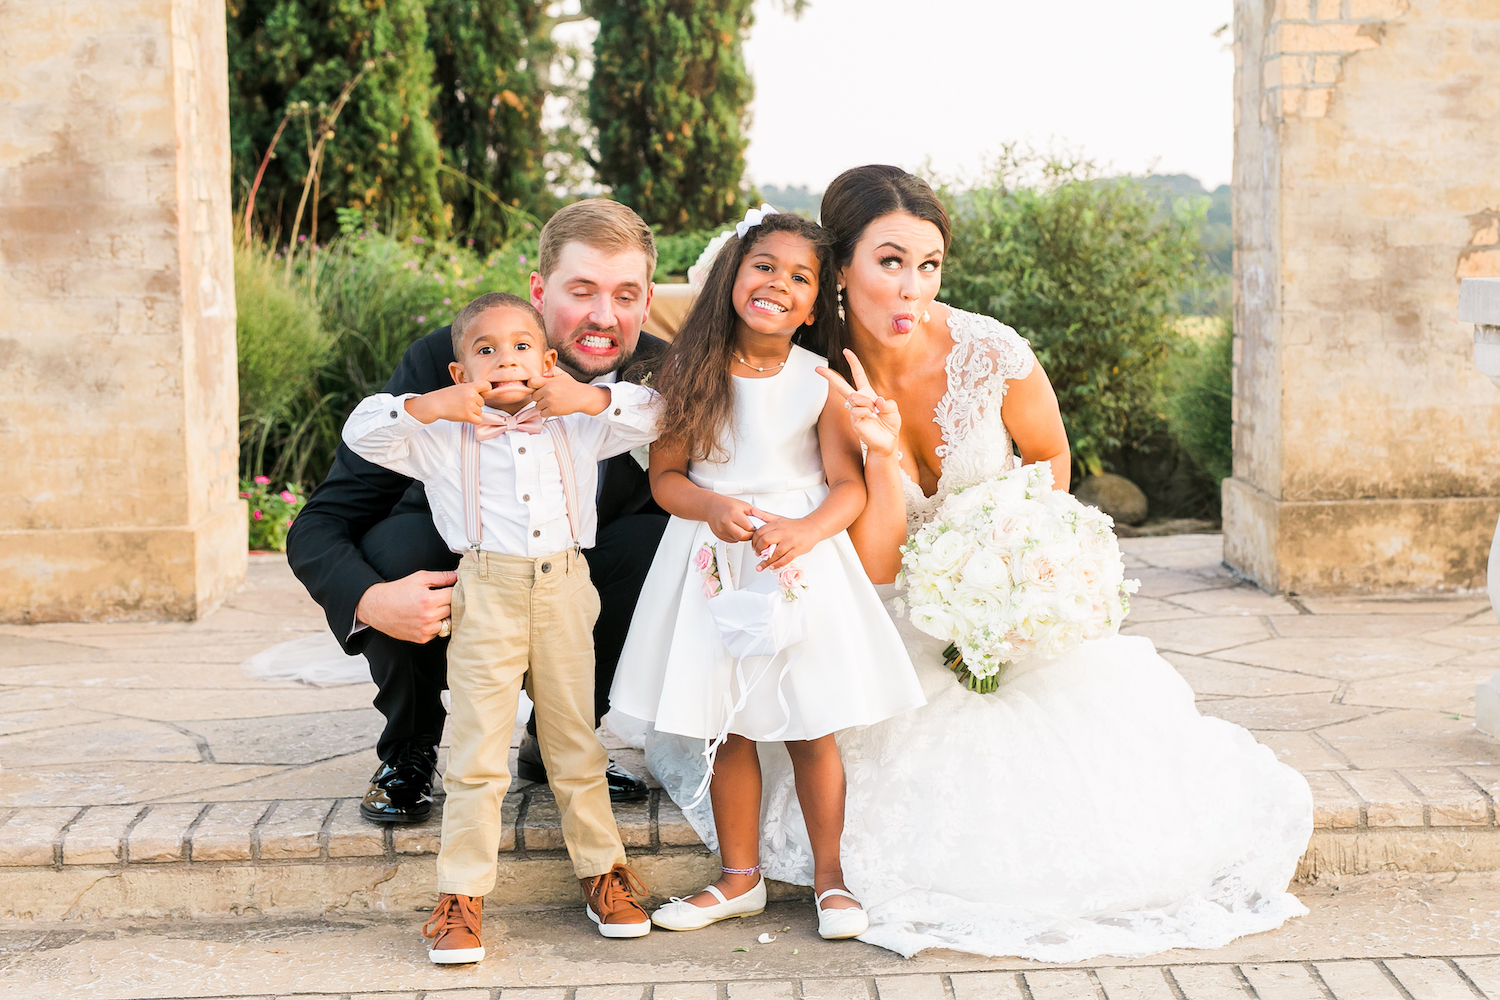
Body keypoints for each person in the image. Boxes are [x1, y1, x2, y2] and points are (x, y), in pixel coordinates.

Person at [640, 166, 1315, 962]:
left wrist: (1020, 561)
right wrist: (880, 459)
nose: (913, 287)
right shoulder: (810, 369)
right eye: (890, 262)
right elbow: (873, 557)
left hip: (997, 597)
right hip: (879, 605)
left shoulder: (991, 352)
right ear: (840, 269)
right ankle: (780, 873)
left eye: (929, 265)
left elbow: (1050, 457)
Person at [286, 199, 667, 824]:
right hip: (464, 570)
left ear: (647, 302)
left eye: (624, 295)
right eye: (581, 292)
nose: (604, 316)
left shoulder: (662, 374)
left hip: (575, 582)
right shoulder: (450, 358)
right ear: (540, 292)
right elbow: (323, 521)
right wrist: (368, 600)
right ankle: (409, 749)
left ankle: (560, 741)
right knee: (399, 550)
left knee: (658, 543)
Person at [607, 210, 925, 941]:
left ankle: (831, 878)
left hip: (800, 563)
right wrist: (712, 506)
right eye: (765, 266)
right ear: (734, 275)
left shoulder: (820, 380)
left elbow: (847, 486)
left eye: (800, 277)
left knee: (812, 727)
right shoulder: (689, 372)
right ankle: (739, 878)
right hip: (714, 560)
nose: (779, 283)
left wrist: (806, 531)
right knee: (729, 727)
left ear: (814, 305)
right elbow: (667, 479)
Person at [343, 292, 659, 961]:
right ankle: (461, 897)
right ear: (461, 374)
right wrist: (431, 407)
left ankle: (603, 873)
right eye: (485, 350)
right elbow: (362, 432)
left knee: (575, 742)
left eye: (521, 347)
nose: (505, 359)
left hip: (565, 587)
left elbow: (658, 414)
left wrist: (587, 398)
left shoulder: (579, 424)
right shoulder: (440, 437)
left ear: (547, 363)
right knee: (477, 752)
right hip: (485, 592)